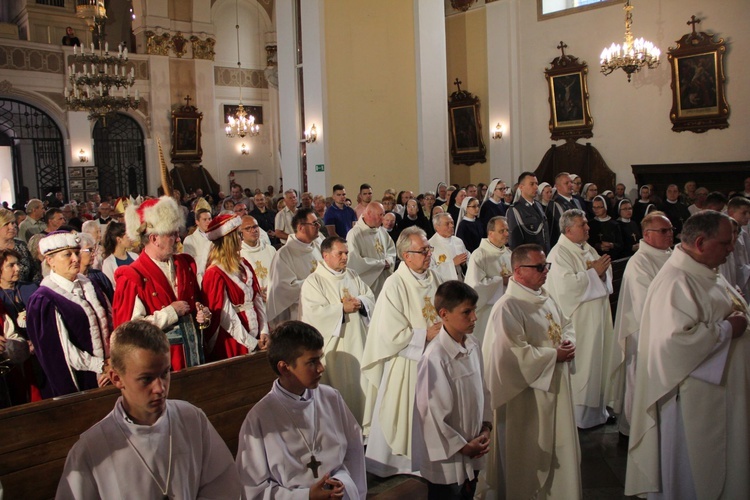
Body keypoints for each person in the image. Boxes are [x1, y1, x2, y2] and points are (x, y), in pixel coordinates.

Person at [625, 211, 749, 499]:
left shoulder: (705, 271)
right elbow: (674, 342)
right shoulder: (676, 280)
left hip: (723, 393)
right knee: (695, 478)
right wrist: (728, 329)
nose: (731, 249)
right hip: (693, 399)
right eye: (725, 243)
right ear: (702, 242)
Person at [56, 320, 242, 499]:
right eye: (146, 379)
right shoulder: (91, 449)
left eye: (165, 373)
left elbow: (223, 484)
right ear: (116, 378)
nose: (160, 388)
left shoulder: (192, 418)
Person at [483, 244, 581, 499]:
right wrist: (553, 355)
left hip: (555, 387)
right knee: (527, 454)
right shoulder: (508, 306)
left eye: (545, 265)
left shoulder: (545, 296)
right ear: (518, 271)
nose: (545, 271)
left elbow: (566, 323)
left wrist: (569, 342)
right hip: (527, 398)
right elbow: (513, 355)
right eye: (539, 267)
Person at [235, 320, 367, 499]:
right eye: (312, 362)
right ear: (284, 367)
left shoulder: (330, 397)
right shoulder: (260, 418)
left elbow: (354, 451)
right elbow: (253, 489)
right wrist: (307, 496)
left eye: (320, 358)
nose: (321, 368)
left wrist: (346, 487)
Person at [361, 226, 443, 476]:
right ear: (406, 255)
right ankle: (400, 464)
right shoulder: (394, 285)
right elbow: (389, 332)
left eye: (429, 249)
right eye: (423, 250)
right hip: (407, 362)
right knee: (403, 412)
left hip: (436, 358)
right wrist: (425, 334)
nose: (429, 254)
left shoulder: (436, 278)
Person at [412, 281, 491, 499]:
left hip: (474, 444)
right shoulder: (435, 357)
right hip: (450, 456)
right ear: (444, 314)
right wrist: (462, 447)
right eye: (467, 312)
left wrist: (486, 428)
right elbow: (431, 413)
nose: (474, 317)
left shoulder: (473, 344)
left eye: (474, 310)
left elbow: (483, 391)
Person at [113, 196, 208, 371]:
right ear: (154, 238)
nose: (178, 239)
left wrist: (203, 314)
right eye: (172, 234)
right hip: (161, 366)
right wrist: (171, 312)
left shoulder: (184, 264)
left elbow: (197, 304)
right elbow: (129, 331)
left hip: (195, 357)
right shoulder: (132, 275)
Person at [546, 209, 615, 429]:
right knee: (584, 363)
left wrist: (601, 273)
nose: (588, 227)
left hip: (598, 317)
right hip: (578, 320)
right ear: (568, 229)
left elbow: (604, 272)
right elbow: (565, 288)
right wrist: (594, 273)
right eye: (582, 224)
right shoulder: (559, 254)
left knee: (598, 360)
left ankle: (599, 411)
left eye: (586, 224)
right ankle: (579, 417)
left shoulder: (588, 248)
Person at [26, 232, 112, 398]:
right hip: (84, 378)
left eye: (77, 252)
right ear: (50, 261)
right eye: (67, 254)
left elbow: (110, 321)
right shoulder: (44, 300)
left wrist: (113, 363)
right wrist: (100, 366)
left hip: (110, 372)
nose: (75, 258)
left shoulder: (92, 284)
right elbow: (60, 350)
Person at [609, 212, 673, 436]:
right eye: (664, 231)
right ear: (647, 234)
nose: (670, 235)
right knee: (639, 378)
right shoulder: (640, 262)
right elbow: (645, 302)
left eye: (670, 230)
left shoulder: (670, 255)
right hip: (643, 330)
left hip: (667, 331)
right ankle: (634, 428)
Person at [299, 236, 374, 425]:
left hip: (359, 342)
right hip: (335, 348)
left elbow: (369, 296)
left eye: (346, 253)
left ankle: (364, 428)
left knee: (362, 388)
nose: (344, 257)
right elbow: (313, 314)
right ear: (325, 255)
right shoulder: (314, 282)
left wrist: (361, 302)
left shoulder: (352, 275)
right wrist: (340, 309)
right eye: (339, 253)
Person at [202, 214, 268, 361]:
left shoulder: (244, 264)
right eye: (238, 235)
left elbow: (257, 299)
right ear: (228, 241)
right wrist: (251, 342)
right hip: (234, 340)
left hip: (257, 334)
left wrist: (264, 331)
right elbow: (225, 315)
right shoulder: (214, 273)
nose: (241, 238)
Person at [266, 208, 323, 327]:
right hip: (299, 313)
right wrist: (317, 281)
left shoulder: (318, 246)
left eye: (318, 222)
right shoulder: (284, 254)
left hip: (322, 308)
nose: (318, 226)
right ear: (301, 227)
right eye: (314, 223)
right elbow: (283, 288)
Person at [0, 248, 40, 405]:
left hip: (37, 349)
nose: (18, 269)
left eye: (18, 264)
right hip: (14, 357)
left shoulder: (30, 288)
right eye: (11, 265)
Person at [464, 216, 512, 348]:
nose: (507, 234)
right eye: (502, 231)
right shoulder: (479, 255)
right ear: (490, 233)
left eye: (507, 230)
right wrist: (501, 281)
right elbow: (474, 286)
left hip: (507, 309)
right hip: (487, 312)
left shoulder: (508, 253)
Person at [345, 202, 396, 298]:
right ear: (368, 213)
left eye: (383, 214)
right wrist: (380, 264)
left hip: (383, 280)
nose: (383, 218)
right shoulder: (354, 234)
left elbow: (391, 249)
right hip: (368, 283)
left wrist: (389, 260)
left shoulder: (381, 231)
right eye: (380, 215)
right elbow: (355, 261)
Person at [507, 172, 550, 252]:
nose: (536, 187)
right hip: (529, 256)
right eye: (532, 184)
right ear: (521, 187)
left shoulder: (538, 205)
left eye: (536, 184)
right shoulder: (515, 209)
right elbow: (514, 240)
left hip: (543, 253)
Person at [239, 215, 276, 303]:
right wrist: (256, 293)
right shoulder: (239, 254)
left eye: (255, 226)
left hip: (276, 296)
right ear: (241, 233)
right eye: (248, 228)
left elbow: (280, 273)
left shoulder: (270, 249)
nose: (253, 230)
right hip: (255, 301)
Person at [0, 208, 39, 284]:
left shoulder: (21, 245)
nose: (12, 227)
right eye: (6, 224)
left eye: (13, 223)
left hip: (25, 291)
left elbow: (34, 272)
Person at [429, 212, 469, 282]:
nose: (451, 226)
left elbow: (468, 259)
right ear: (437, 227)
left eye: (452, 222)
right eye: (447, 224)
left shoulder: (458, 241)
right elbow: (430, 271)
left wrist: (464, 264)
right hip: (444, 286)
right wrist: (452, 263)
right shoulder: (430, 246)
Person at [546, 172, 581, 247]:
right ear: (558, 187)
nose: (570, 185)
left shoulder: (576, 201)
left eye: (571, 182)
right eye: (566, 183)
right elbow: (552, 230)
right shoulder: (554, 204)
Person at [101, 221, 138, 289]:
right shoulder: (108, 263)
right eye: (128, 236)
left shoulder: (135, 256)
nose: (131, 239)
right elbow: (110, 287)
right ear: (119, 239)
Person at [182, 207, 212, 284]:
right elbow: (190, 264)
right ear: (197, 222)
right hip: (200, 279)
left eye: (209, 219)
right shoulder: (190, 240)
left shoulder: (216, 237)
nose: (208, 222)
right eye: (204, 220)